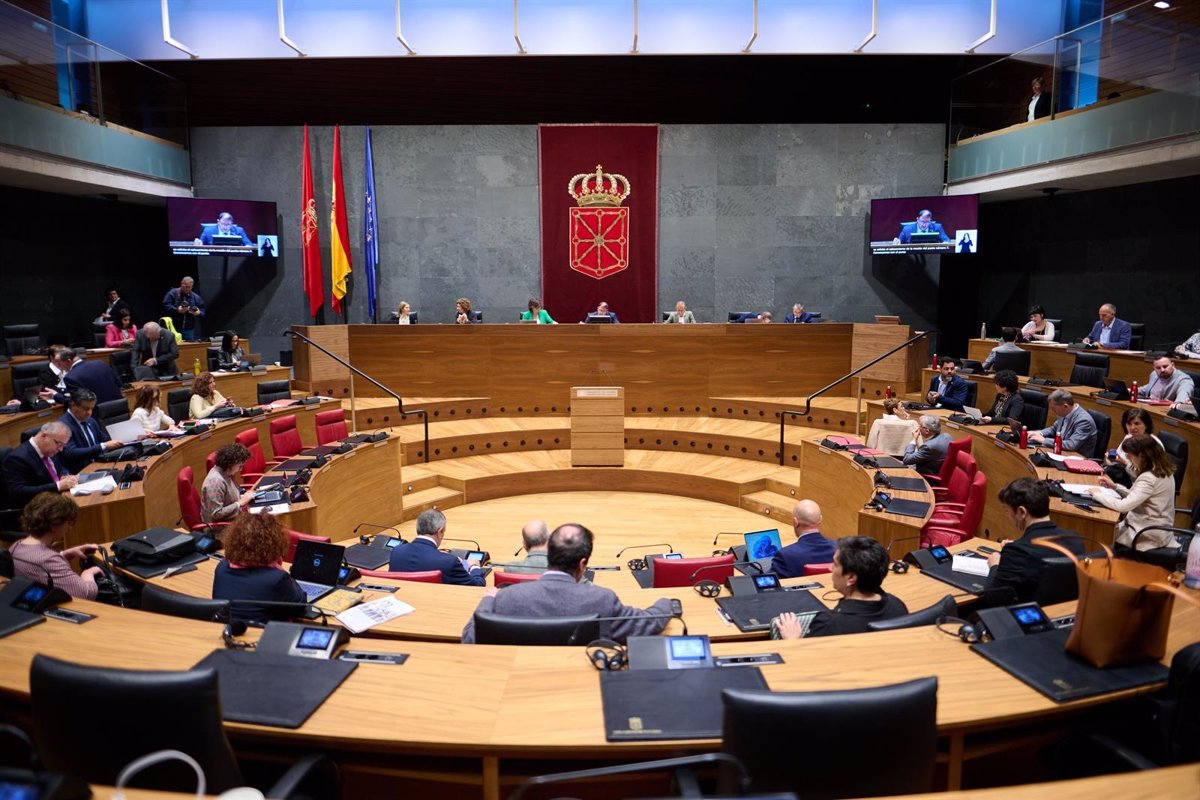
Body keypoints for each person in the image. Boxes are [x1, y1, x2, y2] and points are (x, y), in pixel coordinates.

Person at [460, 523, 674, 644]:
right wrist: (667, 603)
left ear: (549, 553)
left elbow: (469, 640)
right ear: (583, 564)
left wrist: (487, 601)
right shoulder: (602, 600)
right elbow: (649, 622)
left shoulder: (507, 598)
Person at [775, 536, 908, 638]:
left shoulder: (830, 625)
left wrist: (793, 641)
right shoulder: (898, 606)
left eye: (835, 564)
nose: (830, 568)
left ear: (851, 578)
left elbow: (807, 665)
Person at [985, 478, 1083, 603]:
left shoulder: (1017, 553)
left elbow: (992, 599)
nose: (1008, 517)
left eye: (1007, 511)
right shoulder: (1075, 540)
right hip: (1064, 617)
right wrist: (1016, 547)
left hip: (1026, 619)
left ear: (1021, 512)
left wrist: (995, 565)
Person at [212, 512, 306, 624]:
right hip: (266, 639)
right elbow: (300, 604)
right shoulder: (276, 579)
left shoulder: (222, 568)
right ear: (274, 544)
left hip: (231, 634)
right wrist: (284, 573)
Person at [1091, 434, 1177, 553]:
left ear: (1141, 455)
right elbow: (1136, 496)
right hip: (1157, 530)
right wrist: (1115, 486)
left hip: (1145, 534)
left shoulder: (1149, 477)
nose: (1129, 460)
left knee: (1098, 534)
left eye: (1130, 456)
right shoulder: (1163, 471)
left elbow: (1124, 507)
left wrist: (1096, 494)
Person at [10, 493, 100, 600]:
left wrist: (64, 554)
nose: (69, 528)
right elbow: (86, 593)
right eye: (69, 522)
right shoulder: (48, 560)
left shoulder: (15, 547)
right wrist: (87, 574)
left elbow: (37, 568)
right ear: (54, 524)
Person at [388, 509, 486, 586]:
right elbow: (477, 585)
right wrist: (474, 566)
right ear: (440, 531)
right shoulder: (449, 562)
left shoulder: (396, 552)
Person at [2, 421, 77, 507]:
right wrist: (58, 486)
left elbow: (60, 467)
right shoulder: (17, 459)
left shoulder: (49, 450)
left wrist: (65, 475)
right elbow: (18, 493)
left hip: (57, 501)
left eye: (63, 445)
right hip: (37, 510)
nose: (61, 449)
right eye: (59, 444)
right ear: (44, 436)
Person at [58, 388, 128, 473]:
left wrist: (134, 435)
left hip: (99, 465)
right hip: (80, 472)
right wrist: (103, 446)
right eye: (85, 409)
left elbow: (105, 439)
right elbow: (71, 453)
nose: (89, 412)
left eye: (92, 408)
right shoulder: (62, 425)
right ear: (73, 405)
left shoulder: (90, 421)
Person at [770, 500, 836, 579]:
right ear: (820, 519)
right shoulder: (840, 549)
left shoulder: (785, 555)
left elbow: (766, 583)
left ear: (795, 522)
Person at [1030, 389, 1099, 456]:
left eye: (1054, 408)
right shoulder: (1064, 413)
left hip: (1077, 459)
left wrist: (1044, 440)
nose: (1052, 411)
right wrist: (1039, 433)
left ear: (1065, 406)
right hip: (1062, 452)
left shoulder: (1084, 421)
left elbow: (1071, 445)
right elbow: (1053, 429)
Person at [201, 442, 255, 524]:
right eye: (240, 466)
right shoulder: (215, 482)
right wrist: (240, 503)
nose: (241, 470)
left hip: (235, 518)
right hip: (221, 529)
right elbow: (215, 514)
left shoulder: (226, 472)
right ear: (231, 464)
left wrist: (244, 496)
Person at [161, 277, 207, 341]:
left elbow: (203, 311)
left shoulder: (195, 297)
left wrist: (198, 313)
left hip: (188, 329)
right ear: (181, 284)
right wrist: (177, 310)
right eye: (186, 286)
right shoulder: (173, 293)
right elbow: (165, 305)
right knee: (172, 348)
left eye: (189, 287)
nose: (187, 289)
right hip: (173, 328)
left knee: (188, 349)